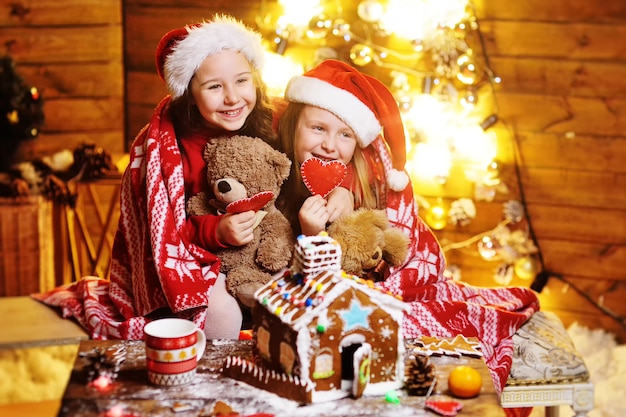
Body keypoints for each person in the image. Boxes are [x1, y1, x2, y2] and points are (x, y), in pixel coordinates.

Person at [275, 59, 540, 397]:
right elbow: (291, 271)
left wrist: (345, 197)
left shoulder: (361, 182)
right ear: (293, 126)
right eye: (318, 129)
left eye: (345, 135)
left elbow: (385, 251)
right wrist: (310, 235)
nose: (330, 145)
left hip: (367, 284)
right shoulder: (279, 175)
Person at [33, 15, 275, 340]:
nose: (232, 97)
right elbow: (168, 231)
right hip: (201, 255)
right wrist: (215, 230)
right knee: (220, 310)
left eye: (242, 81)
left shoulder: (270, 127)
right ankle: (209, 375)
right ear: (190, 93)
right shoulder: (171, 148)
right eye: (215, 87)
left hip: (266, 249)